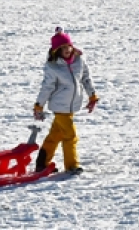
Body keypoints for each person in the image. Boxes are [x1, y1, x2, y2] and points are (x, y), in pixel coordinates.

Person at [33, 27, 98, 175]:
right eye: (62, 48)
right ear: (56, 51)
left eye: (68, 46)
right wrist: (39, 105)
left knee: (55, 135)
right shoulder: (53, 67)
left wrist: (92, 96)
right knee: (70, 135)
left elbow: (86, 79)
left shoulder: (79, 61)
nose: (67, 49)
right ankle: (72, 165)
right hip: (60, 107)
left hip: (72, 106)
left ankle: (41, 164)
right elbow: (46, 88)